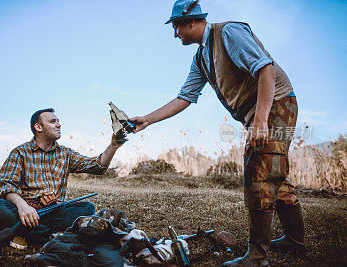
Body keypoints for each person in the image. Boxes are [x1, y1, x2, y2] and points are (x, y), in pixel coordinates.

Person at [130, 1, 305, 266]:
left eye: (176, 26)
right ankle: (295, 241)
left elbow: (266, 69)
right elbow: (184, 97)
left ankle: (257, 258)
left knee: (258, 173)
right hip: (258, 111)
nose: (175, 33)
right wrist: (147, 119)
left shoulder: (228, 32)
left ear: (191, 21)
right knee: (274, 173)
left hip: (275, 103)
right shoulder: (201, 57)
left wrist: (260, 120)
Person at [0, 108, 124, 251]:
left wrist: (113, 145)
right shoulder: (20, 152)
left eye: (58, 121)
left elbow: (97, 166)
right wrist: (23, 206)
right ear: (38, 127)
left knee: (88, 208)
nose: (58, 125)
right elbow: (6, 184)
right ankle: (52, 236)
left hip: (54, 213)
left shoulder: (65, 153)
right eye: (53, 121)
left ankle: (27, 234)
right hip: (26, 213)